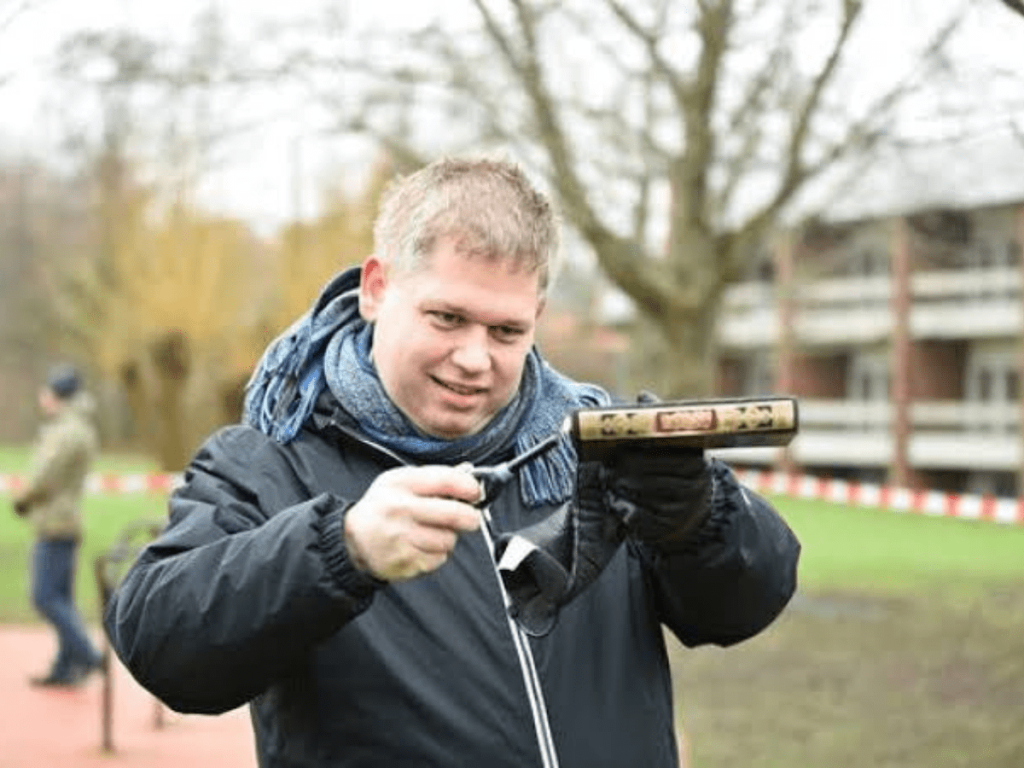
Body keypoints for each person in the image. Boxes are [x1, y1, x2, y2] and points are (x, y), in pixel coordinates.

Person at [103, 156, 801, 767]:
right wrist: (339, 550)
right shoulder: (270, 460)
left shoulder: (599, 445)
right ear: (377, 288)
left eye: (506, 331)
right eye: (446, 318)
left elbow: (745, 605)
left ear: (538, 314)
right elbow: (162, 647)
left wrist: (697, 518)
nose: (474, 359)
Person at [13, 364, 104, 687]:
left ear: (57, 395)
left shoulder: (67, 431)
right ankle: (66, 666)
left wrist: (22, 499)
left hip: (56, 521)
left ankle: (87, 655)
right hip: (65, 519)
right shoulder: (74, 427)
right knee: (61, 597)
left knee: (45, 596)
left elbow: (45, 476)